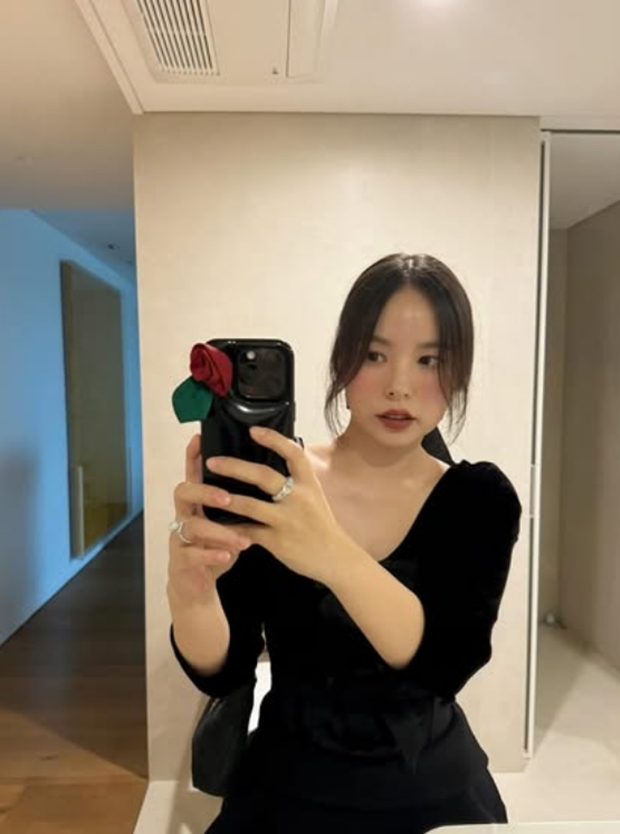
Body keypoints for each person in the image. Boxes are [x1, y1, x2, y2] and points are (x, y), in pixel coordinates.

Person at [168, 253, 522, 834]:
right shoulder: (278, 483)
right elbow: (223, 670)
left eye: (429, 360)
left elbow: (447, 664)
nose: (400, 385)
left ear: (456, 374)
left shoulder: (478, 500)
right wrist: (190, 594)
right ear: (343, 361)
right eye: (375, 355)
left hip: (429, 788)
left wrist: (330, 553)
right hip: (285, 781)